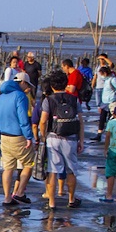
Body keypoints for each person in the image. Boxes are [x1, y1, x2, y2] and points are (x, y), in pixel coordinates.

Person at [38, 73, 84, 209]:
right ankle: (71, 199)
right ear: (66, 84)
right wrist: (81, 140)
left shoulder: (48, 100)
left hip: (53, 137)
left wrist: (43, 136)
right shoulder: (74, 100)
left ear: (52, 86)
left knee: (52, 170)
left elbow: (43, 121)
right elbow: (81, 122)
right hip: (70, 138)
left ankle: (52, 202)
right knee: (71, 170)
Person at [0, 71, 33, 208]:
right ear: (22, 82)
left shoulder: (0, 97)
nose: (27, 88)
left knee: (8, 168)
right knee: (29, 163)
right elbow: (23, 118)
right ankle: (20, 192)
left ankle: (7, 197)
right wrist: (29, 136)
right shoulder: (20, 96)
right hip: (18, 136)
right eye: (26, 84)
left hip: (4, 135)